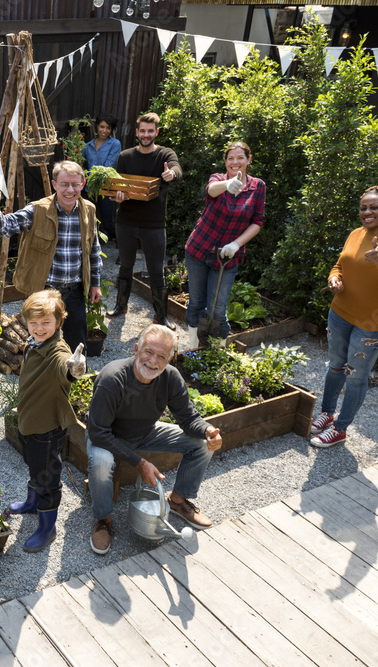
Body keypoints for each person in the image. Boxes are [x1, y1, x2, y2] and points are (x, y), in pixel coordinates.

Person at [85, 324, 221, 555]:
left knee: (200, 445)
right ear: (137, 349)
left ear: (169, 360)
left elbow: (188, 418)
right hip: (108, 437)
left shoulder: (170, 377)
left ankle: (177, 501)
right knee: (101, 463)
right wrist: (140, 463)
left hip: (144, 432)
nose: (153, 361)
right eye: (148, 352)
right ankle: (104, 519)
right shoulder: (113, 379)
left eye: (161, 356)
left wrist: (208, 430)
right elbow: (98, 432)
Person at [310, 186, 378, 448]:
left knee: (355, 375)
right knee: (335, 366)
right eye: (363, 208)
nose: (367, 212)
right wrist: (335, 278)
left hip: (373, 325)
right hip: (341, 314)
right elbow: (340, 264)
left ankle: (340, 428)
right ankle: (327, 412)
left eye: (374, 207)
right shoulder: (357, 234)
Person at [0, 160, 104, 352]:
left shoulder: (88, 210)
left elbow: (93, 249)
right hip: (44, 292)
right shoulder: (37, 210)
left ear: (83, 184)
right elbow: (4, 227)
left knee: (76, 347)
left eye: (75, 184)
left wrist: (96, 283)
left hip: (74, 292)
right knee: (42, 345)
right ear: (54, 184)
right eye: (65, 184)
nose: (70, 190)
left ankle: (72, 381)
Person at [7, 290, 86, 552]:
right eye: (33, 323)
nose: (39, 328)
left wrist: (74, 369)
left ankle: (47, 528)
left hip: (47, 431)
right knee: (34, 466)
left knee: (48, 479)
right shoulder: (33, 342)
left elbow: (65, 366)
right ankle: (32, 503)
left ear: (58, 323)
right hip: (29, 422)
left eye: (46, 323)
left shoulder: (56, 351)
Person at [184, 142, 266, 349]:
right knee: (195, 303)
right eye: (230, 158)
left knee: (218, 309)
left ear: (249, 160)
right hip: (199, 250)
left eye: (240, 158)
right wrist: (228, 184)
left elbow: (257, 222)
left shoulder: (258, 187)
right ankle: (192, 348)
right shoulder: (219, 179)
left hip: (228, 256)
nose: (235, 162)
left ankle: (218, 351)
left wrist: (236, 244)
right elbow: (211, 190)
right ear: (225, 162)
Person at [107, 112, 182, 330]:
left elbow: (177, 169)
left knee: (156, 269)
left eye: (151, 131)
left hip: (154, 224)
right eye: (143, 131)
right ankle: (121, 306)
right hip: (126, 222)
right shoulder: (125, 157)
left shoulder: (165, 155)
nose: (146, 135)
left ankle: (161, 315)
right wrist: (117, 196)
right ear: (137, 132)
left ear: (156, 132)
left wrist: (172, 175)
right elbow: (118, 186)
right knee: (125, 267)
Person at [82, 113, 121, 244]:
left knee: (107, 221)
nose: (104, 130)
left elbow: (108, 166)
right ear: (97, 126)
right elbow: (81, 163)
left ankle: (119, 241)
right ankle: (92, 243)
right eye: (102, 127)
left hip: (106, 187)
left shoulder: (115, 144)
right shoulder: (87, 146)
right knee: (88, 217)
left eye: (108, 128)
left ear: (111, 130)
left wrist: (89, 175)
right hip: (89, 188)